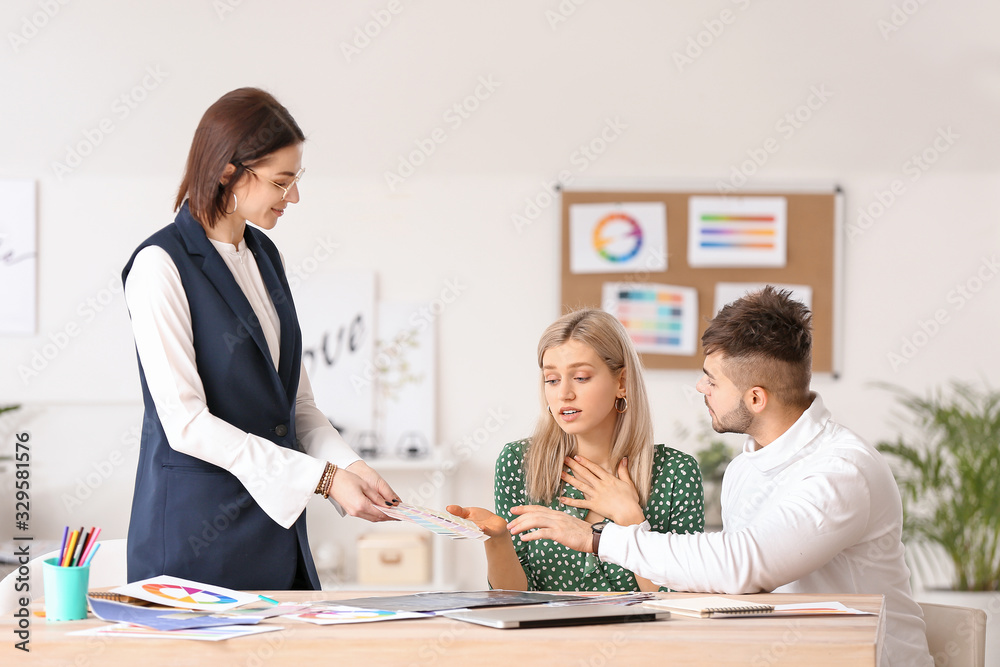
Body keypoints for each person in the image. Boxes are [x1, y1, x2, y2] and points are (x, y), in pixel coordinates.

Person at [508, 287, 932, 666]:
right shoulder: (746, 468)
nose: (699, 387)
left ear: (755, 398)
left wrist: (601, 537)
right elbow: (725, 594)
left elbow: (740, 565)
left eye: (712, 380)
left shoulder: (841, 472)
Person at [122, 88, 400, 590]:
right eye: (281, 181)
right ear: (228, 171)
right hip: (195, 541)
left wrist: (349, 466)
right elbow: (186, 423)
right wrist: (322, 479)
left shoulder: (266, 257)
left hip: (278, 529)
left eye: (295, 180)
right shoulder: (159, 266)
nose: (293, 197)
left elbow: (295, 403)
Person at [449, 309, 704, 592]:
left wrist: (631, 518)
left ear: (622, 382)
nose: (564, 394)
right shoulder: (518, 462)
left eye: (580, 377)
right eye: (552, 380)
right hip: (546, 635)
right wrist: (497, 540)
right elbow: (515, 597)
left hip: (639, 635)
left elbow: (679, 602)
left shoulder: (676, 473)